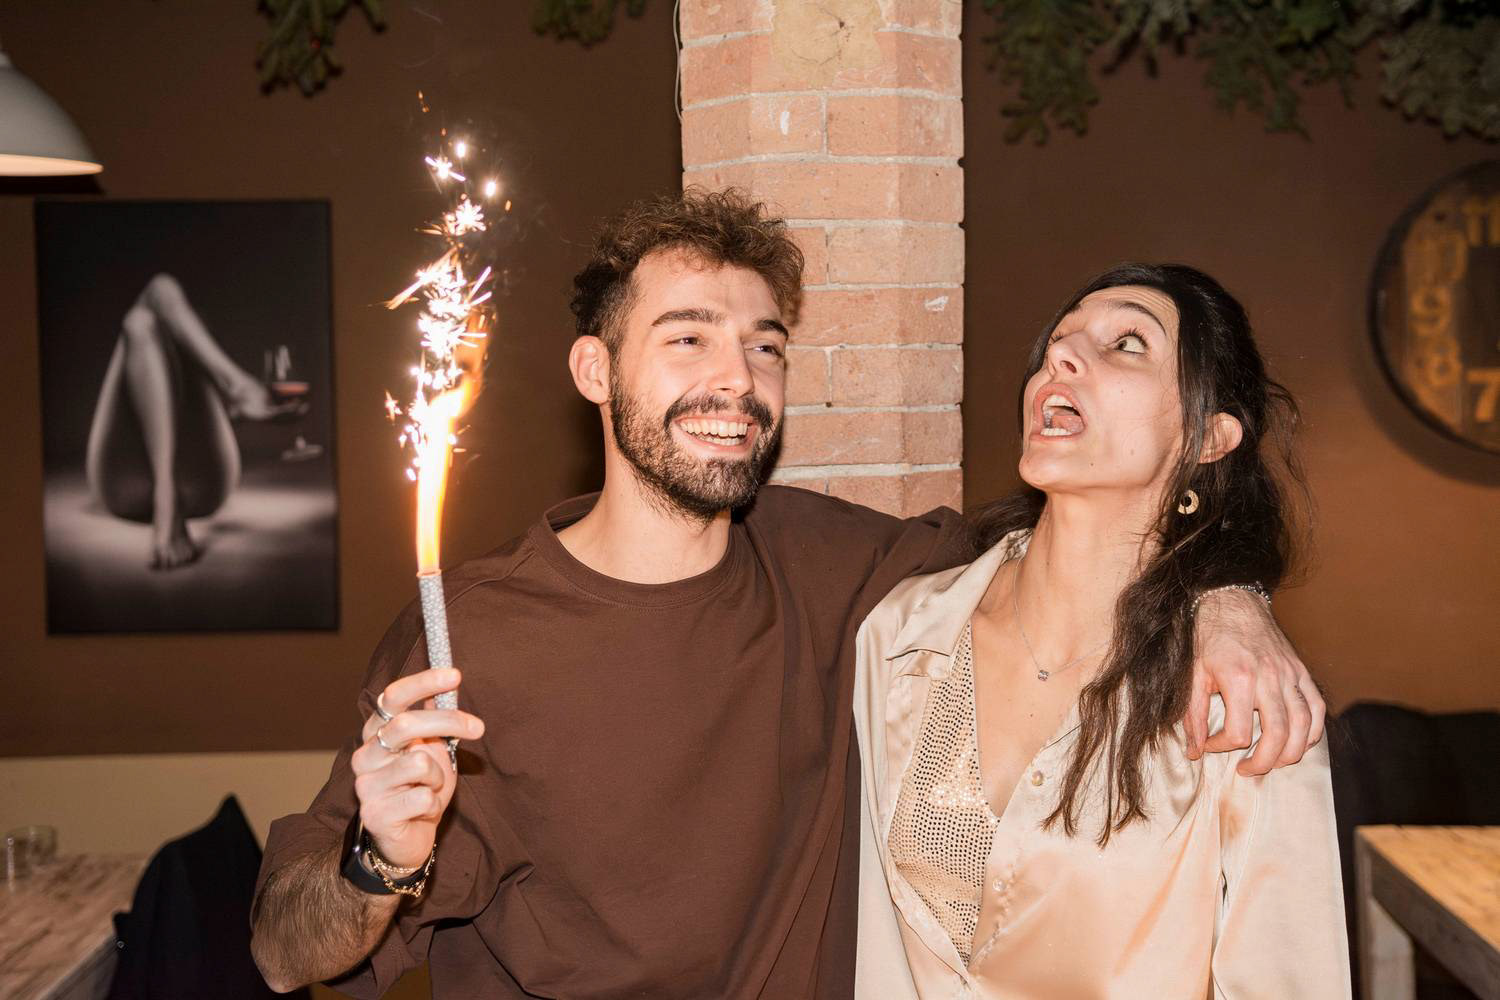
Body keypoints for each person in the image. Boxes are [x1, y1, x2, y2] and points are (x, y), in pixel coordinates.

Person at [249, 194, 1324, 999]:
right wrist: (379, 859)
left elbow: (1085, 548)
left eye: (763, 347)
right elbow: (287, 952)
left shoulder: (840, 570)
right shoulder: (471, 631)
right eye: (687, 339)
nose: (737, 379)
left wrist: (1228, 591)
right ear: (594, 371)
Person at [853, 264, 1349, 998]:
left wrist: (1232, 594)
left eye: (1127, 343)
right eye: (1059, 340)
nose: (1060, 354)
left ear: (1209, 437)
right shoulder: (901, 634)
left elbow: (1288, 978)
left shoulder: (1242, 696)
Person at [84, 271, 303, 568]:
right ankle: (237, 386)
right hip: (203, 486)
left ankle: (167, 493)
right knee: (146, 313)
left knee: (141, 319)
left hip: (121, 486)